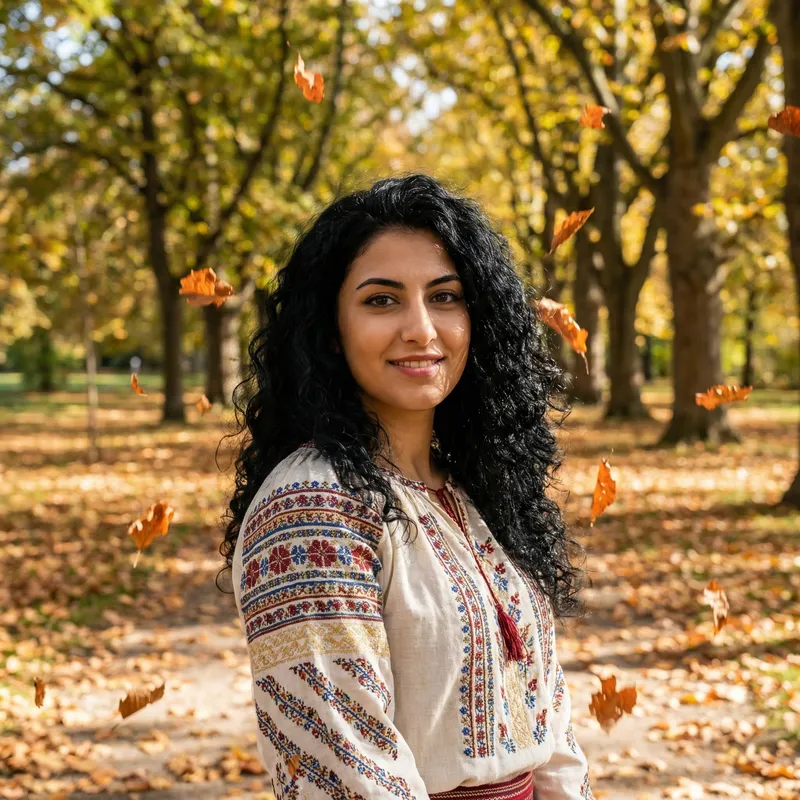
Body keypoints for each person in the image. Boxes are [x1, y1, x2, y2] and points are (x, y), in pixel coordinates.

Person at [221, 174, 593, 800]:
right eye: (381, 300)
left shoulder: (477, 491)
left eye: (445, 296)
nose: (422, 329)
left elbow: (549, 726)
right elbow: (347, 770)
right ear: (328, 328)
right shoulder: (312, 508)